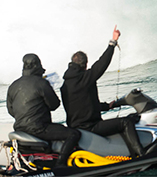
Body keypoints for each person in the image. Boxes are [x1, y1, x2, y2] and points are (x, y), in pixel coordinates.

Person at [60, 25, 145, 157]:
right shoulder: (84, 78)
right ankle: (141, 154)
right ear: (85, 65)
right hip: (90, 127)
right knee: (126, 122)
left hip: (75, 128)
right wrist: (112, 43)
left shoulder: (65, 85)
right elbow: (101, 65)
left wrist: (106, 106)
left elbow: (81, 106)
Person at [7, 53, 81, 168]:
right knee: (74, 134)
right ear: (37, 65)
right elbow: (54, 105)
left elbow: (11, 111)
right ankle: (61, 165)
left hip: (20, 128)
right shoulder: (41, 83)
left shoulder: (13, 85)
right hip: (38, 128)